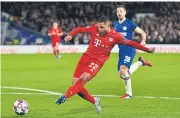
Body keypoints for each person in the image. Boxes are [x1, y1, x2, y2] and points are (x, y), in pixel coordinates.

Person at [55, 16, 155, 113]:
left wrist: (147, 49)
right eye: (98, 26)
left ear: (108, 26)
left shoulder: (116, 36)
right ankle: (95, 101)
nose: (99, 29)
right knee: (76, 87)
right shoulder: (94, 28)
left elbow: (131, 43)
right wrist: (71, 35)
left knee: (83, 79)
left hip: (97, 61)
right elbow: (79, 29)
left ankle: (65, 96)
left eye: (102, 27)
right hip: (85, 58)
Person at [113, 5, 152, 98]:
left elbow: (143, 33)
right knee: (123, 74)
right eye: (118, 11)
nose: (119, 13)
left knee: (123, 70)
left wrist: (143, 41)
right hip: (121, 51)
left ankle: (129, 94)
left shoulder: (130, 23)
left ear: (125, 12)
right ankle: (140, 62)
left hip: (129, 49)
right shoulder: (115, 25)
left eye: (121, 11)